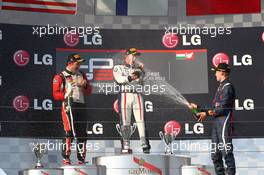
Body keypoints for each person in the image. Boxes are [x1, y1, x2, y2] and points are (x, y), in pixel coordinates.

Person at [189, 63, 236, 175]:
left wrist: (206, 114)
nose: (215, 74)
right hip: (217, 123)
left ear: (222, 73)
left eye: (216, 71)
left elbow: (222, 109)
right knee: (215, 154)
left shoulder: (228, 87)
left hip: (224, 122)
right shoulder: (221, 87)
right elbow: (215, 108)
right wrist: (199, 108)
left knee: (226, 152)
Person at [52, 53, 92, 165]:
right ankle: (66, 158)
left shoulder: (82, 74)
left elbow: (89, 91)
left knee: (82, 133)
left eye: (79, 63)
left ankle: (81, 160)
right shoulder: (60, 76)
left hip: (81, 105)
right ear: (70, 63)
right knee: (69, 132)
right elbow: (55, 94)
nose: (78, 65)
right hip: (68, 105)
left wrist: (85, 86)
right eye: (76, 63)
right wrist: (66, 93)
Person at [113, 48, 151, 154]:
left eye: (136, 56)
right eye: (133, 55)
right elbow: (119, 79)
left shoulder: (138, 69)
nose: (135, 58)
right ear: (127, 56)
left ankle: (145, 145)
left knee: (141, 121)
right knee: (125, 121)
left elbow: (142, 82)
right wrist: (130, 77)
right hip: (125, 94)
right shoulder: (118, 68)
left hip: (137, 95)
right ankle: (126, 145)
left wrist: (142, 72)